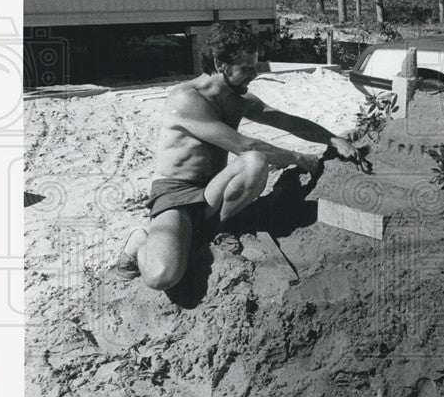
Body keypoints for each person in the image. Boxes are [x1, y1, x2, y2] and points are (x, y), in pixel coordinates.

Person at [117, 21, 363, 291]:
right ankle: (141, 240)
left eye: (255, 65)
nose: (254, 74)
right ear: (220, 63)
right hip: (176, 194)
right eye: (246, 67)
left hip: (212, 192)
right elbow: (244, 146)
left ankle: (212, 230)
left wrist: (332, 138)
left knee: (255, 164)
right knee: (162, 277)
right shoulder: (187, 99)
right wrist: (299, 158)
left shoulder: (237, 99)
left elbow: (289, 122)